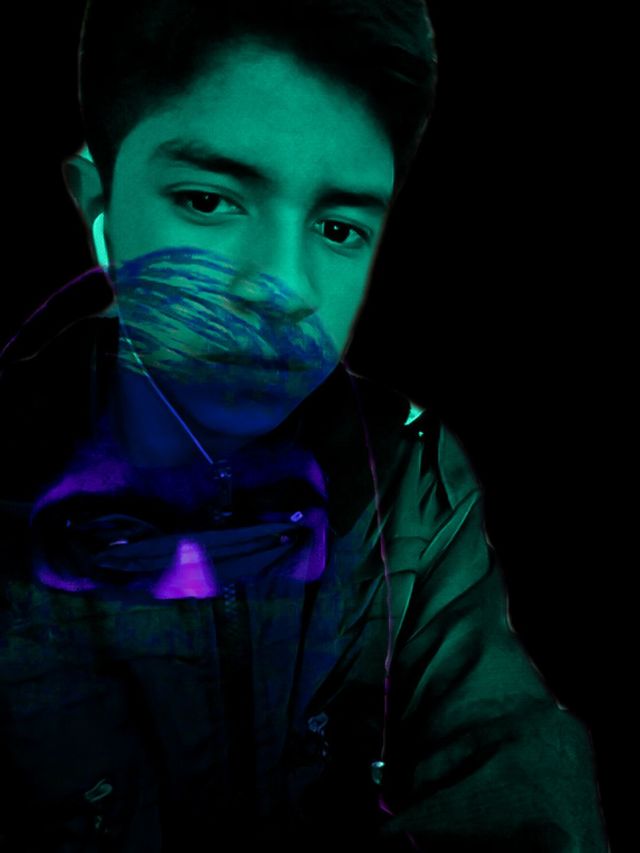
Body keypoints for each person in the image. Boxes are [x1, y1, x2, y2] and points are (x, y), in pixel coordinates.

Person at [0, 1, 609, 850]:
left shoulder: (406, 482)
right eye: (209, 200)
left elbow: (507, 768)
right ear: (100, 206)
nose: (284, 286)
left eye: (338, 227)